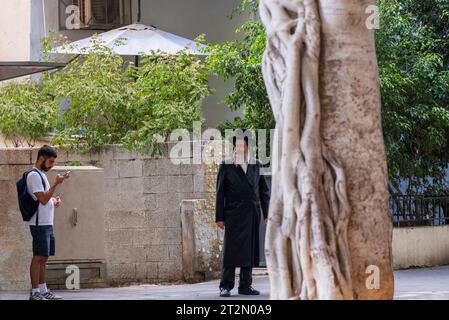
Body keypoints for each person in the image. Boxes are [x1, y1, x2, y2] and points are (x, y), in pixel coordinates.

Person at [215, 135, 270, 297]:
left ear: (247, 147)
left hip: (252, 213)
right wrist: (219, 216)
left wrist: (267, 214)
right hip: (233, 214)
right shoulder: (226, 166)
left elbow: (264, 192)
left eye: (242, 146)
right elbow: (220, 193)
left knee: (250, 250)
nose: (239, 149)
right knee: (231, 251)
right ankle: (225, 286)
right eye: (236, 146)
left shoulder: (256, 164)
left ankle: (246, 285)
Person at [27, 145, 70, 300]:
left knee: (44, 258)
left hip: (47, 222)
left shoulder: (42, 175)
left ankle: (43, 290)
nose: (51, 165)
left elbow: (45, 198)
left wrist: (54, 200)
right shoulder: (33, 175)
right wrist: (56, 184)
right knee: (38, 257)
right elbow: (42, 199)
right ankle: (35, 292)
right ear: (41, 158)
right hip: (38, 223)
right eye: (50, 162)